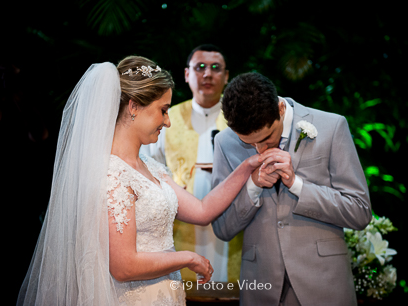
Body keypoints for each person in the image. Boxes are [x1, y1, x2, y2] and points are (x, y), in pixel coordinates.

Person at [17, 56, 262, 306]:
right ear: (133, 107)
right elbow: (124, 267)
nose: (168, 122)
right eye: (163, 110)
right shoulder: (112, 175)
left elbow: (202, 211)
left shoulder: (151, 167)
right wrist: (187, 258)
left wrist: (247, 167)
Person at [211, 72, 372, 306]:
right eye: (249, 143)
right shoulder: (224, 142)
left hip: (324, 286)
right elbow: (222, 228)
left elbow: (360, 211)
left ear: (280, 109)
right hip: (261, 289)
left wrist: (297, 185)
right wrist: (252, 187)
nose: (259, 149)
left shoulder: (332, 126)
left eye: (266, 139)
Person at [140, 44, 241, 283]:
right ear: (187, 75)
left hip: (232, 223)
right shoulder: (165, 118)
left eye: (216, 68)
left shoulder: (241, 118)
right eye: (200, 67)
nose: (207, 74)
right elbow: (145, 170)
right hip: (180, 223)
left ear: (226, 76)